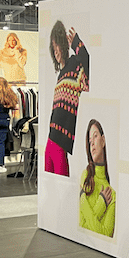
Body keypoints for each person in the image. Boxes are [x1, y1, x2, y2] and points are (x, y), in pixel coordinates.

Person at [46, 21, 89, 176]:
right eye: (53, 47)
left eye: (57, 45)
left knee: (60, 185)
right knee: (49, 187)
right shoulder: (61, 74)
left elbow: (88, 63)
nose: (56, 51)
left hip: (61, 142)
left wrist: (77, 44)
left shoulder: (75, 64)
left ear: (63, 45)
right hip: (50, 140)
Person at [79, 119, 116, 237]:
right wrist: (101, 204)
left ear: (103, 140)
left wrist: (82, 199)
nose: (93, 143)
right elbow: (81, 226)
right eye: (90, 142)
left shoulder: (111, 194)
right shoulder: (86, 176)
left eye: (95, 136)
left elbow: (106, 234)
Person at [0, 77, 20, 174]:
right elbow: (15, 106)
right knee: (0, 143)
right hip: (4, 120)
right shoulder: (9, 94)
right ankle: (0, 165)